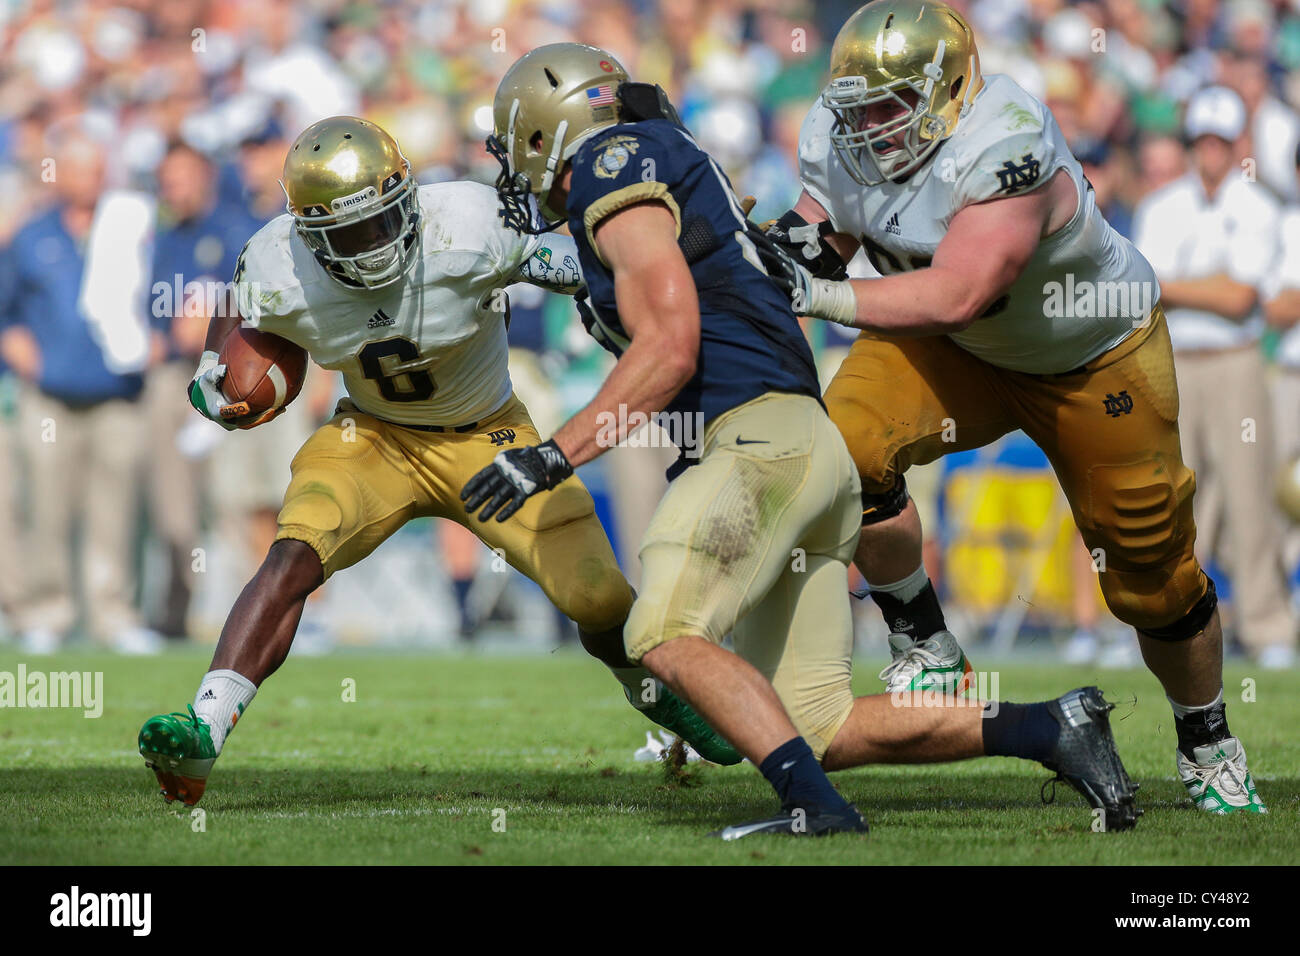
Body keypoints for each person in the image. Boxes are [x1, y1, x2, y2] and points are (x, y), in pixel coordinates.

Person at [472, 43, 1140, 837]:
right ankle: (1052, 728)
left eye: (518, 145)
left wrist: (553, 454)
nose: (515, 168)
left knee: (660, 630)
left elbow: (670, 345)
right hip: (802, 450)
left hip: (761, 444)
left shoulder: (615, 163)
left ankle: (816, 809)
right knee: (817, 723)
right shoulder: (660, 165)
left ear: (551, 130)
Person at [137, 116, 737, 807]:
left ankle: (658, 699)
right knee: (293, 553)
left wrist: (681, 250)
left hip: (491, 434)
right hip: (374, 438)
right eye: (351, 233)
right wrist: (219, 374)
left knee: (596, 593)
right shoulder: (278, 263)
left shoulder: (471, 225)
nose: (375, 244)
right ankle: (202, 734)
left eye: (384, 219)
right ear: (308, 233)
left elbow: (589, 266)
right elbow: (237, 312)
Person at [759, 1, 1264, 813]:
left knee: (1151, 578)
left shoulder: (1007, 136)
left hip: (1090, 356)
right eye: (857, 105)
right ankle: (924, 638)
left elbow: (960, 290)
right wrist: (762, 259)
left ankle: (1207, 739)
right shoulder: (839, 129)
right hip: (957, 351)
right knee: (842, 442)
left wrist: (815, 293)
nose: (869, 124)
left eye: (889, 103)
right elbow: (825, 230)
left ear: (951, 90)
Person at [1134, 86, 1297, 672]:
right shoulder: (1162, 205)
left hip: (1235, 359)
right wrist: (1206, 288)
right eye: (1202, 141)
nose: (1210, 152)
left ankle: (1266, 623)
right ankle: (1166, 626)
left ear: (1235, 146)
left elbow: (1241, 297)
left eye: (1219, 142)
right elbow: (1152, 290)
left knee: (1252, 498)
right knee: (1170, 499)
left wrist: (1181, 287)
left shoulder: (1260, 207)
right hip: (1175, 358)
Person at [0, 124, 161, 656]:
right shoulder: (34, 233)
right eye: (78, 169)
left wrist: (161, 337)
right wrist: (15, 341)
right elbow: (8, 305)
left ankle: (113, 615)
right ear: (58, 174)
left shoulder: (133, 226)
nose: (88, 179)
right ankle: (48, 611)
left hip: (118, 391)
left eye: (96, 169)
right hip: (50, 395)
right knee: (46, 506)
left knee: (115, 509)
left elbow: (171, 286)